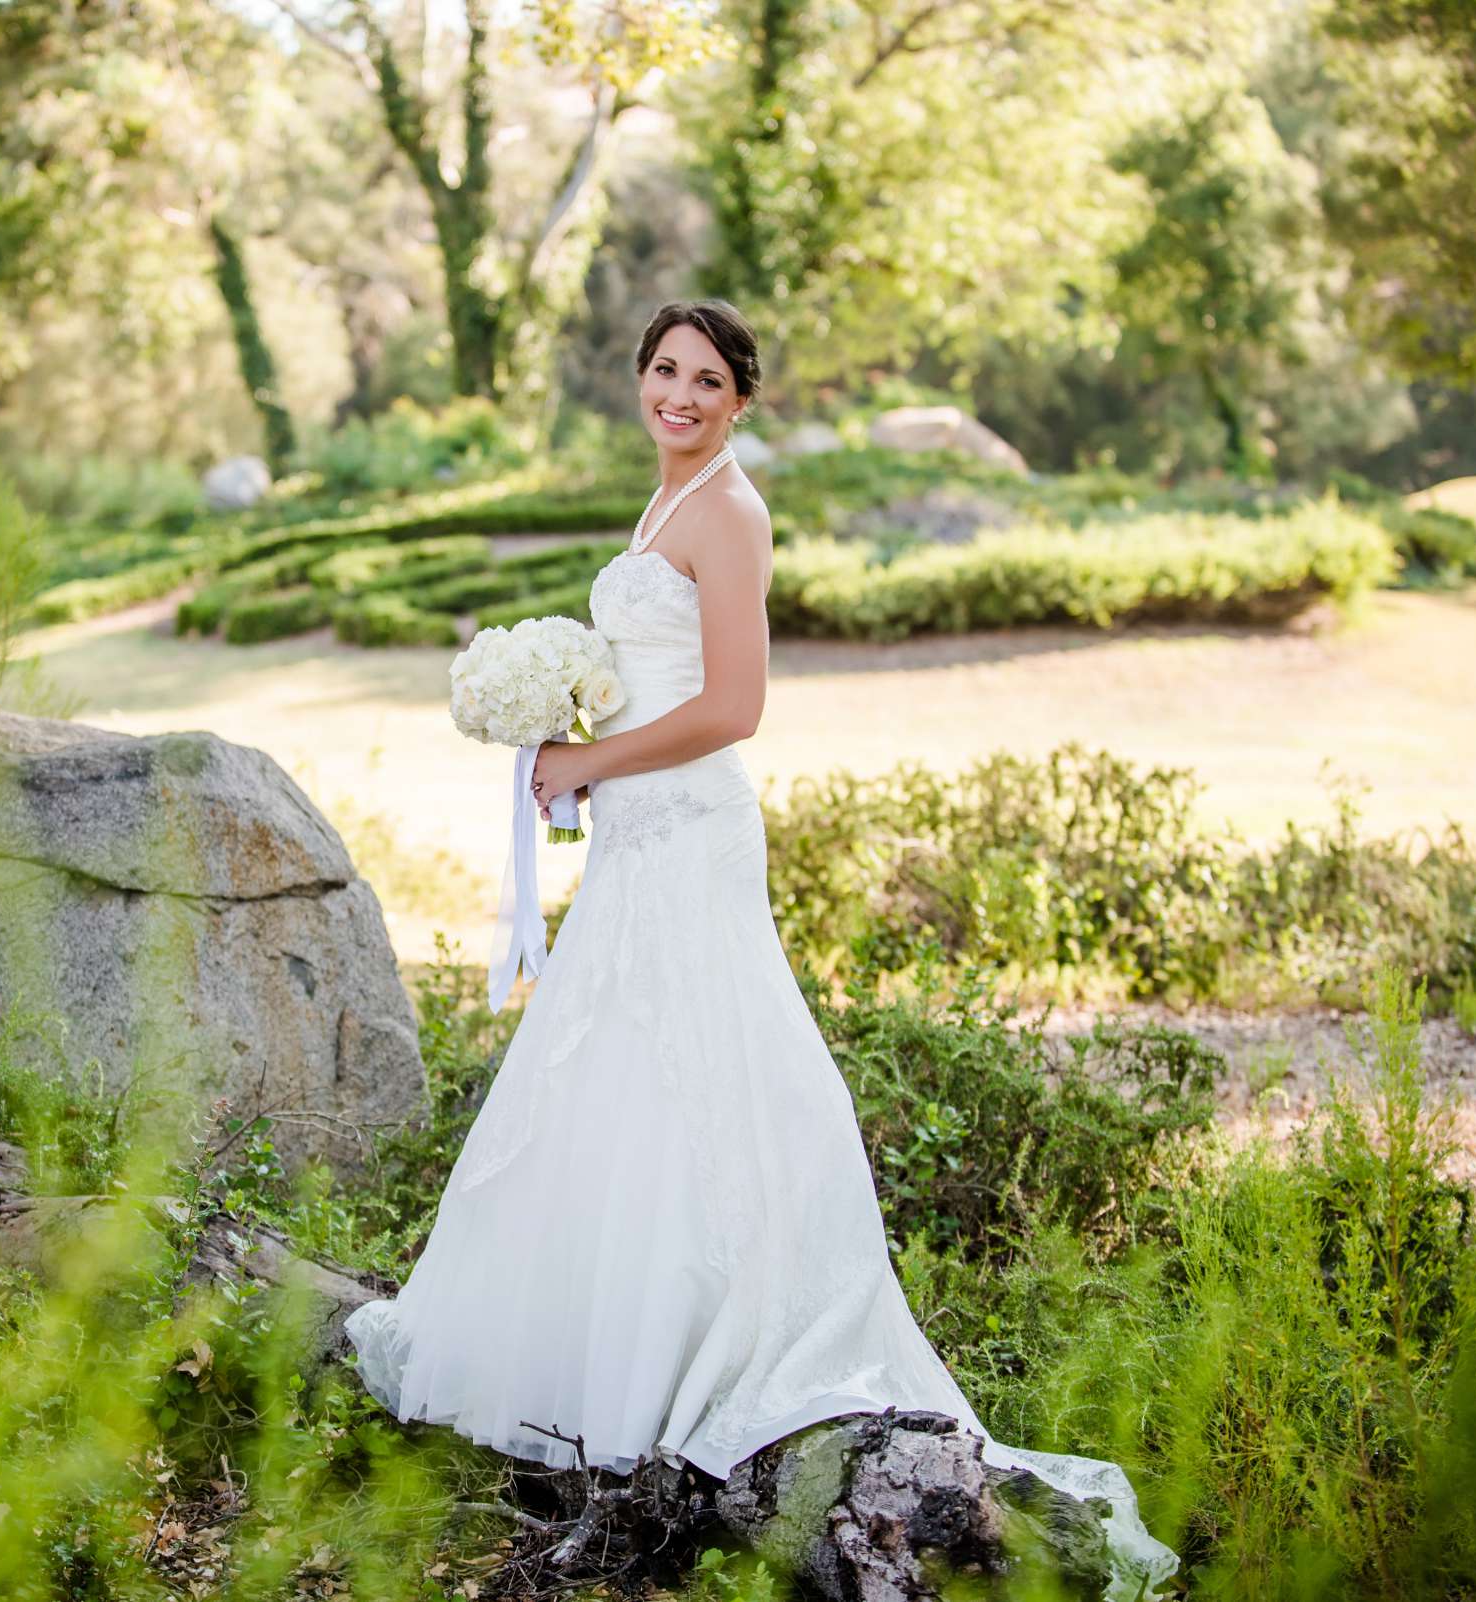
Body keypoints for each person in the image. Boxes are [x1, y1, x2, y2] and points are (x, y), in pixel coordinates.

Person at [341, 298, 1176, 1592]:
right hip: (635, 835)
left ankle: (718, 1353)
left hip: (694, 835)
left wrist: (589, 755)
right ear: (643, 381)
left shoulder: (730, 511)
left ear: (742, 400)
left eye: (707, 378)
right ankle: (603, 1363)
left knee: (712, 1069)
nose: (679, 393)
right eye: (664, 371)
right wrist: (570, 734)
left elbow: (736, 705)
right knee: (615, 1079)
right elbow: (657, 672)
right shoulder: (663, 504)